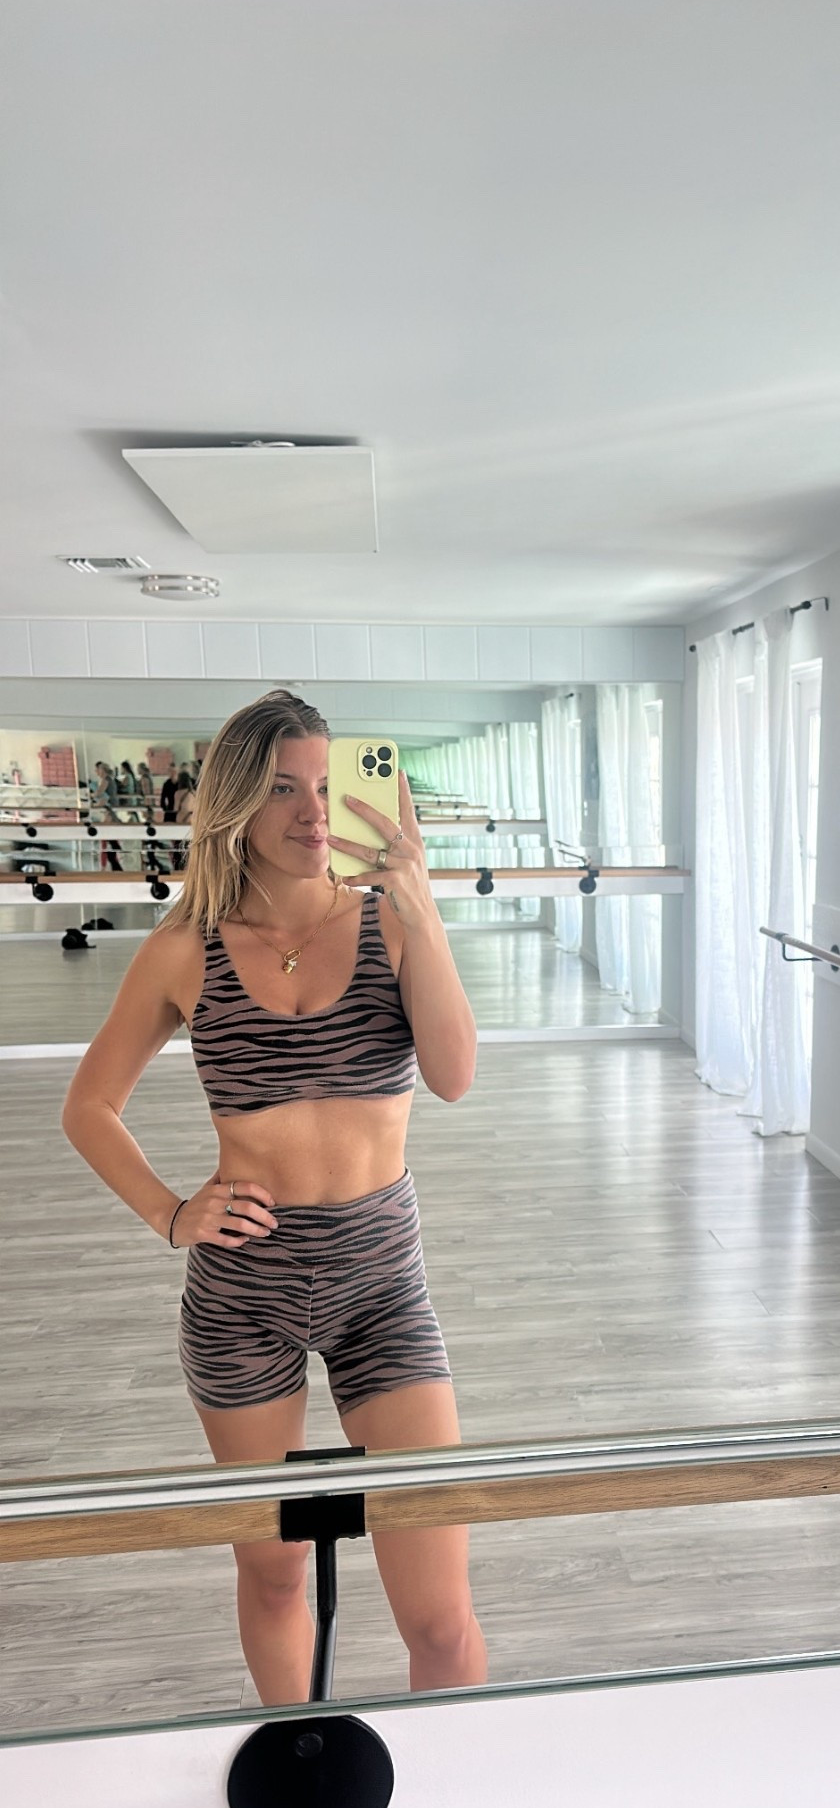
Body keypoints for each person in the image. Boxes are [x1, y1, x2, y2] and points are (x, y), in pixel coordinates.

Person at [61, 690, 487, 1705]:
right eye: (284, 789)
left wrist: (423, 909)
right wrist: (173, 1213)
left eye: (327, 787)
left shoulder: (391, 925)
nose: (313, 812)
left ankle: (462, 1780)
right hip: (241, 1299)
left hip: (382, 1288)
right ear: (237, 804)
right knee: (274, 1568)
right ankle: (300, 1744)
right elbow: (89, 1106)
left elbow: (455, 1076)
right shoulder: (185, 949)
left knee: (440, 1613)